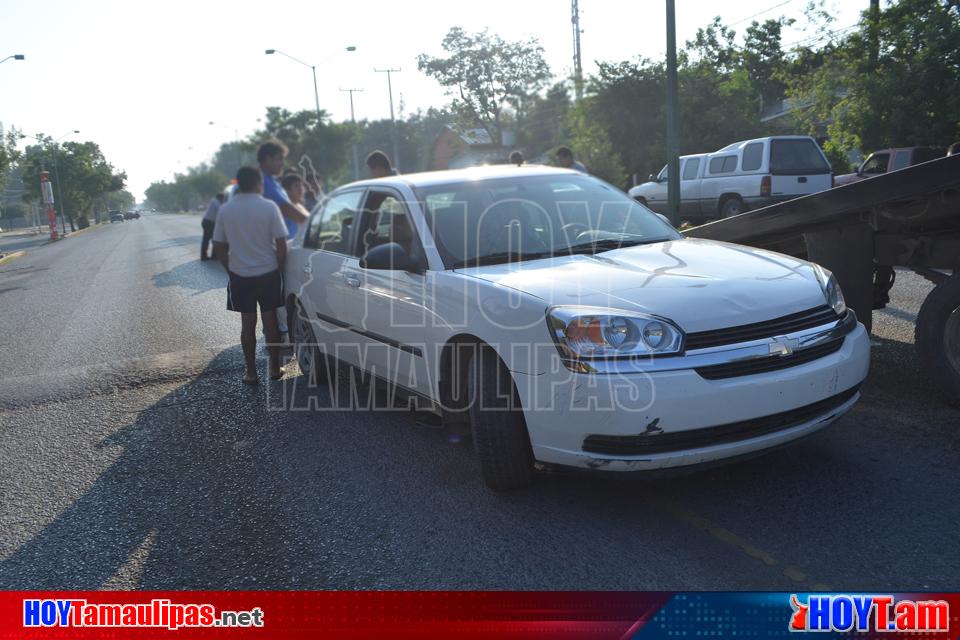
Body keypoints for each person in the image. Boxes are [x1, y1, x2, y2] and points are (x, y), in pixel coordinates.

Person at [212, 166, 288, 385]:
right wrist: (280, 268)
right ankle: (274, 368)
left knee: (248, 323)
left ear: (238, 185)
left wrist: (230, 269)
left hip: (240, 276)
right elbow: (281, 243)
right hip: (268, 273)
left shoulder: (226, 210)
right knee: (270, 320)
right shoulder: (269, 207)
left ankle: (251, 372)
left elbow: (218, 245)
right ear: (258, 183)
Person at [257, 140, 309, 240]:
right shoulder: (263, 181)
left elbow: (291, 206)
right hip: (280, 246)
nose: (282, 164)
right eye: (280, 159)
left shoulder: (273, 181)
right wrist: (312, 224)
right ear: (268, 159)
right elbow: (286, 209)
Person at [200, 193, 225, 260]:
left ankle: (205, 256)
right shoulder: (215, 201)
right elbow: (221, 209)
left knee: (207, 239)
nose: (223, 200)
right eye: (223, 199)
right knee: (214, 239)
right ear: (220, 198)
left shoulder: (214, 201)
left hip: (207, 222)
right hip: (209, 223)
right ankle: (213, 256)